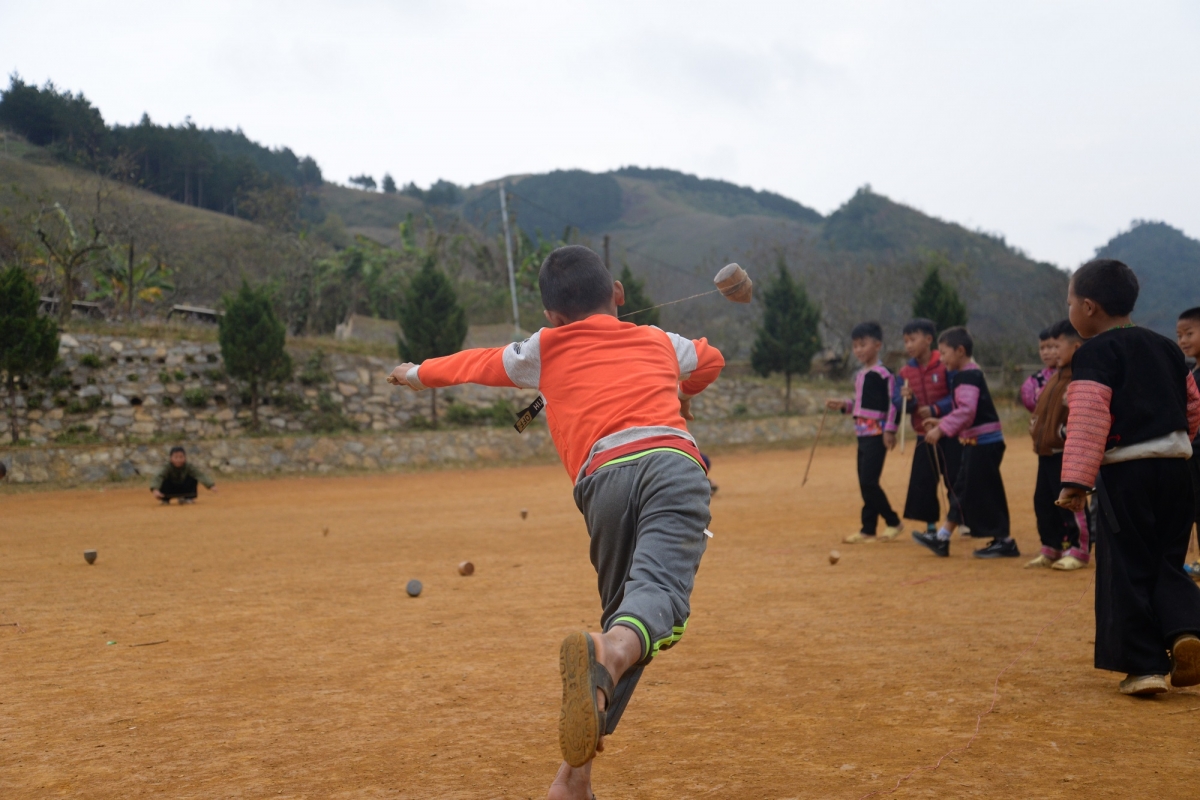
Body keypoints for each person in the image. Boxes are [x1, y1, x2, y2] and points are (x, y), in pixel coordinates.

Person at [386, 245, 724, 799]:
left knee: (626, 622)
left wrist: (415, 373)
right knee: (650, 608)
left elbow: (475, 363)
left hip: (602, 482)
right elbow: (711, 360)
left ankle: (573, 781)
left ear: (552, 317)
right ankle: (605, 665)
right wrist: (681, 389)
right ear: (617, 294)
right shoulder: (660, 340)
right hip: (672, 466)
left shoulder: (542, 347)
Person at [1057, 259, 1200, 696]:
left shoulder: (1095, 354)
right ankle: (1185, 631)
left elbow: (1088, 418)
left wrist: (1076, 482)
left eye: (1069, 303)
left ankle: (1145, 667)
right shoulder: (1168, 348)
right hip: (1179, 468)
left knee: (1127, 565)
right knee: (1167, 561)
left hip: (1127, 474)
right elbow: (1193, 407)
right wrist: (1177, 444)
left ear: (1088, 306)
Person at [912, 327, 1019, 558]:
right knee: (961, 489)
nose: (941, 359)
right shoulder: (966, 375)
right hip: (976, 442)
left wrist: (941, 429)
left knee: (983, 492)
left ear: (960, 351)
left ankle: (1005, 541)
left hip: (983, 442)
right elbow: (965, 410)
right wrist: (942, 419)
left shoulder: (968, 375)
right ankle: (943, 536)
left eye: (944, 353)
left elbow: (967, 411)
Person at [825, 321, 902, 543]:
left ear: (877, 345)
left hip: (877, 434)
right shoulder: (860, 375)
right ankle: (868, 528)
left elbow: (893, 403)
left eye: (863, 344)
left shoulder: (885, 374)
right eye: (855, 346)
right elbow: (860, 405)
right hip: (862, 434)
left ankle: (893, 522)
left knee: (869, 481)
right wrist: (843, 405)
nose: (858, 350)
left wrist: (890, 430)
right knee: (865, 482)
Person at [1026, 320, 1091, 570]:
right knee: (1043, 502)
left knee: (1070, 503)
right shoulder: (1054, 378)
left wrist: (1064, 434)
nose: (1051, 352)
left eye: (1056, 346)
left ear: (1075, 346)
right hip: (1045, 453)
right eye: (1048, 347)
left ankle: (1079, 549)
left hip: (1066, 454)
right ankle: (1050, 547)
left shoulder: (1079, 378)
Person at [894, 318, 961, 538]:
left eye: (913, 339)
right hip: (923, 435)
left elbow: (957, 395)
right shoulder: (904, 372)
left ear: (929, 339)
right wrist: (909, 400)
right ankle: (930, 524)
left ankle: (961, 520)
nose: (909, 345)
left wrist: (934, 409)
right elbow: (899, 404)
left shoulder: (945, 364)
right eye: (905, 341)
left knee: (954, 478)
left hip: (948, 431)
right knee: (924, 481)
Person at [1177, 306, 1200, 580]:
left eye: (1189, 333)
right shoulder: (1191, 373)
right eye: (1179, 335)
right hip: (1192, 452)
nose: (1182, 340)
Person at [150, 446, 217, 504]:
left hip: (184, 489)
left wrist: (210, 485)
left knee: (193, 477)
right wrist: (155, 490)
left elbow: (199, 474)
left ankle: (188, 498)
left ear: (185, 458)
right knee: (163, 479)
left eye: (181, 457)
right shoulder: (166, 467)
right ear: (171, 458)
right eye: (176, 457)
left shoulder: (189, 467)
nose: (178, 460)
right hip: (170, 489)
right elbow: (158, 476)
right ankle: (165, 500)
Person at [1020, 326, 1059, 412]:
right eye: (1042, 348)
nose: (1045, 352)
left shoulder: (1073, 374)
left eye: (1050, 347)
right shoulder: (1034, 379)